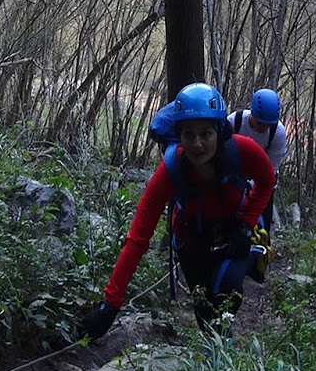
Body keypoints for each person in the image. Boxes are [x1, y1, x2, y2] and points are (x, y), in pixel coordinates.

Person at [80, 82, 275, 338]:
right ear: (179, 135)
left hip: (234, 234)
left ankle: (222, 351)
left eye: (205, 133)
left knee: (226, 290)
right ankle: (215, 353)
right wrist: (110, 305)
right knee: (204, 309)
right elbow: (137, 239)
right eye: (188, 134)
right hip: (192, 241)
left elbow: (267, 180)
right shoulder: (170, 172)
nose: (197, 144)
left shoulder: (242, 150)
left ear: (219, 131)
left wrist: (247, 224)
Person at [230, 88, 287, 233]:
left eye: (268, 125)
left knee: (262, 225)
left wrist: (251, 187)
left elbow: (271, 169)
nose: (264, 128)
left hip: (262, 181)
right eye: (260, 123)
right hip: (233, 177)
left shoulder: (277, 133)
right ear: (252, 114)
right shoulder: (234, 122)